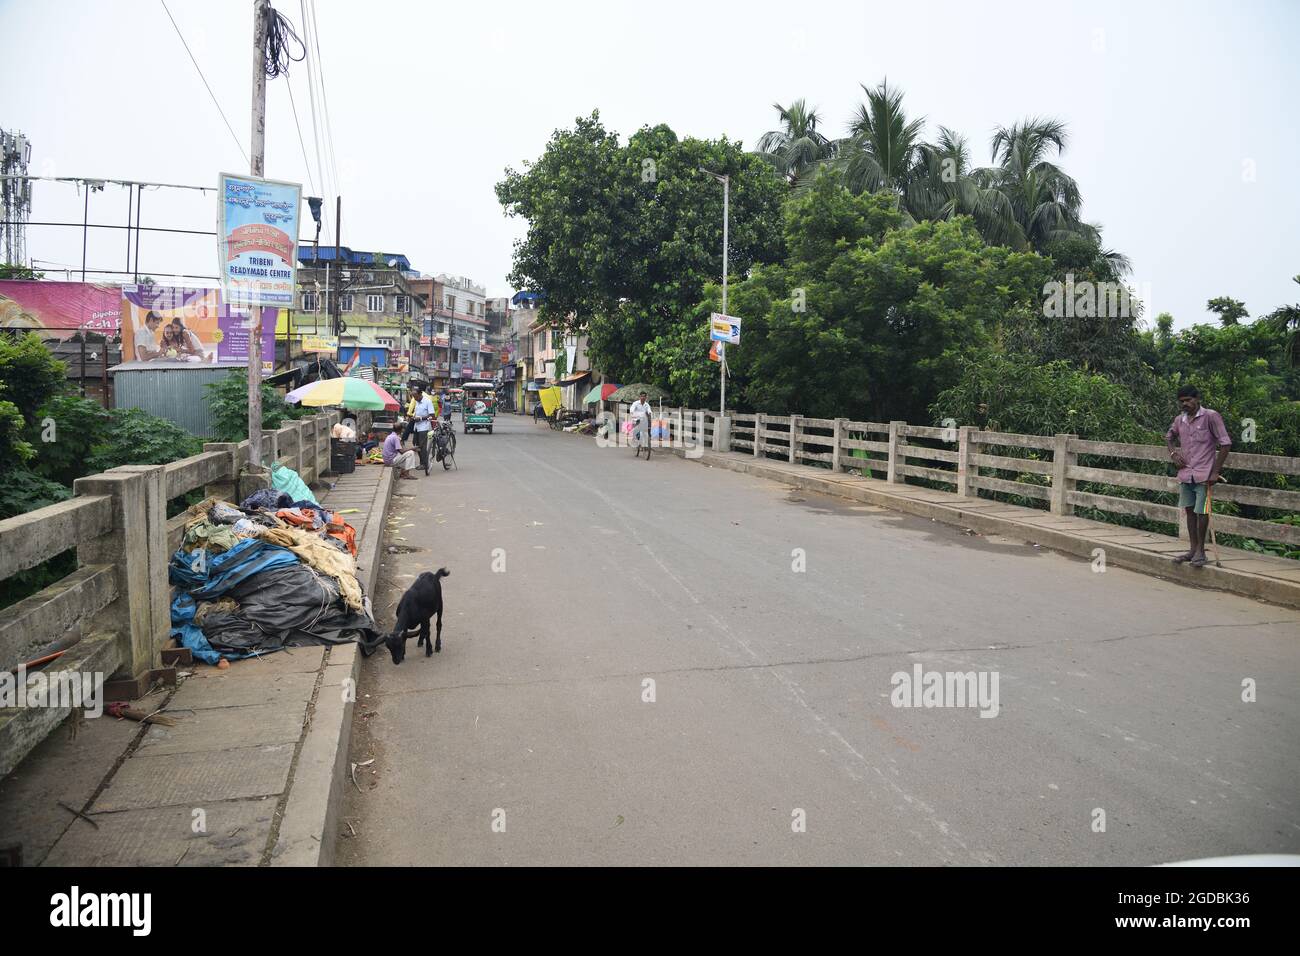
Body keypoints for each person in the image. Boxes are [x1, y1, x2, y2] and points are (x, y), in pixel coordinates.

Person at [1165, 385, 1232, 567]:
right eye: (1182, 401)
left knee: (1202, 511)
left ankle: (1201, 551)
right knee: (1189, 510)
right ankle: (1192, 550)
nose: (1185, 403)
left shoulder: (1211, 416)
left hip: (1204, 474)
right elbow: (1168, 437)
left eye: (1188, 400)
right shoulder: (1180, 420)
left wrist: (1215, 471)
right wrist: (1173, 454)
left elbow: (1225, 444)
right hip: (1186, 473)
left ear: (1197, 399)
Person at [412, 387, 436, 470]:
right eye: (413, 397)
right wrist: (414, 417)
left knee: (422, 446)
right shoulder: (417, 402)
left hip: (424, 427)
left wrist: (421, 418)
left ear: (420, 394)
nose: (415, 398)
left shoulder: (427, 401)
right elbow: (416, 412)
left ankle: (425, 464)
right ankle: (422, 462)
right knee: (416, 445)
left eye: (416, 396)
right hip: (416, 427)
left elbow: (432, 415)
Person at [630, 391, 653, 460]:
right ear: (640, 397)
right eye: (642, 396)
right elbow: (632, 410)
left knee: (647, 429)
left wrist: (649, 413)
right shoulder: (636, 403)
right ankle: (635, 440)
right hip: (636, 419)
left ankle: (647, 441)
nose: (643, 397)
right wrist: (633, 413)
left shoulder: (647, 405)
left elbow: (649, 411)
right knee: (635, 431)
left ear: (646, 397)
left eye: (644, 396)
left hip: (644, 420)